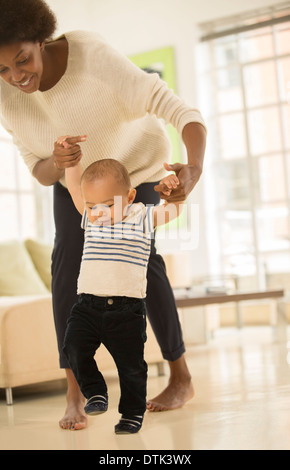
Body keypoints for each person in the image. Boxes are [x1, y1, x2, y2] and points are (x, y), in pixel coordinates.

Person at [0, 0, 206, 430]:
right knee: (65, 266)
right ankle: (75, 391)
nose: (16, 77)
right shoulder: (7, 94)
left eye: (23, 60)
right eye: (2, 70)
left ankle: (180, 376)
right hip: (77, 181)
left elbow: (181, 112)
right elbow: (37, 170)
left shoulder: (91, 57)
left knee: (142, 265)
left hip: (139, 168)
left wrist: (194, 167)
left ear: (41, 39)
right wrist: (58, 162)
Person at [61, 153, 183, 433]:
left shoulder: (141, 216)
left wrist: (174, 192)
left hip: (125, 310)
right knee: (73, 347)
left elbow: (172, 210)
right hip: (87, 307)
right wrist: (72, 164)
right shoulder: (90, 219)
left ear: (128, 198)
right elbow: (74, 189)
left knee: (131, 368)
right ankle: (95, 391)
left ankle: (131, 413)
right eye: (91, 206)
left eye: (106, 205)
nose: (97, 213)